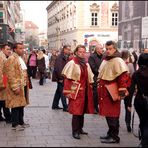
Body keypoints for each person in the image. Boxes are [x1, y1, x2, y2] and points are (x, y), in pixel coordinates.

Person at [97, 40, 130, 144]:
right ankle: (110, 133)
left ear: (115, 49)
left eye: (110, 49)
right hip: (105, 93)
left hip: (112, 93)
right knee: (108, 114)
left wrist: (121, 94)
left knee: (113, 115)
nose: (107, 51)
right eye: (106, 49)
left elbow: (122, 79)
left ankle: (115, 137)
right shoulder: (106, 59)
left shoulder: (118, 61)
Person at [62, 45, 94, 139]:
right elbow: (68, 79)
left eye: (84, 52)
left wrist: (90, 86)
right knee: (76, 112)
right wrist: (68, 92)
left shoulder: (86, 63)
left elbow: (89, 77)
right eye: (80, 51)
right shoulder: (72, 63)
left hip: (85, 91)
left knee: (82, 111)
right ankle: (75, 131)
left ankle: (80, 129)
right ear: (76, 52)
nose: (82, 53)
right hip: (75, 91)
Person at [4, 43, 30, 131]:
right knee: (15, 106)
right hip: (16, 86)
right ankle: (15, 124)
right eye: (20, 48)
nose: (22, 50)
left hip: (22, 85)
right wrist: (15, 87)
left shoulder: (19, 58)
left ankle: (21, 122)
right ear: (15, 49)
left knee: (21, 105)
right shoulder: (12, 59)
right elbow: (10, 74)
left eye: (23, 48)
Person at [129, 53, 148, 147]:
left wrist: (129, 104)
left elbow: (131, 90)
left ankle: (143, 141)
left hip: (139, 101)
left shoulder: (136, 74)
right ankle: (144, 142)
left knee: (143, 120)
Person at [51, 45, 71, 111]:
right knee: (63, 92)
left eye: (69, 50)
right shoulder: (60, 57)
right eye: (68, 49)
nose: (69, 51)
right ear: (64, 49)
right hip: (61, 78)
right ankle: (65, 107)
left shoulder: (65, 56)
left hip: (62, 77)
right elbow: (58, 68)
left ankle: (55, 105)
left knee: (58, 92)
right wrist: (60, 78)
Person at [121, 49, 135, 132]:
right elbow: (133, 76)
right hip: (129, 87)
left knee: (116, 105)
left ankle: (116, 123)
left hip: (120, 86)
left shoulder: (119, 63)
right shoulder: (129, 65)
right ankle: (128, 123)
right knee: (128, 105)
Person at [88, 44, 104, 114]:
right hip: (95, 77)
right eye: (101, 48)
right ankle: (94, 107)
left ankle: (97, 107)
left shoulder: (103, 56)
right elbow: (93, 67)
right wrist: (100, 73)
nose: (102, 50)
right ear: (97, 49)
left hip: (102, 77)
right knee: (95, 93)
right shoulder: (92, 57)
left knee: (100, 93)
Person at [0, 44, 12, 123]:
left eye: (9, 49)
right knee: (4, 100)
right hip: (2, 81)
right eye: (7, 49)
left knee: (2, 100)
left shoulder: (3, 56)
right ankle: (8, 117)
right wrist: (3, 83)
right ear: (2, 49)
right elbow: (1, 72)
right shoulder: (1, 57)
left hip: (3, 80)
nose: (9, 51)